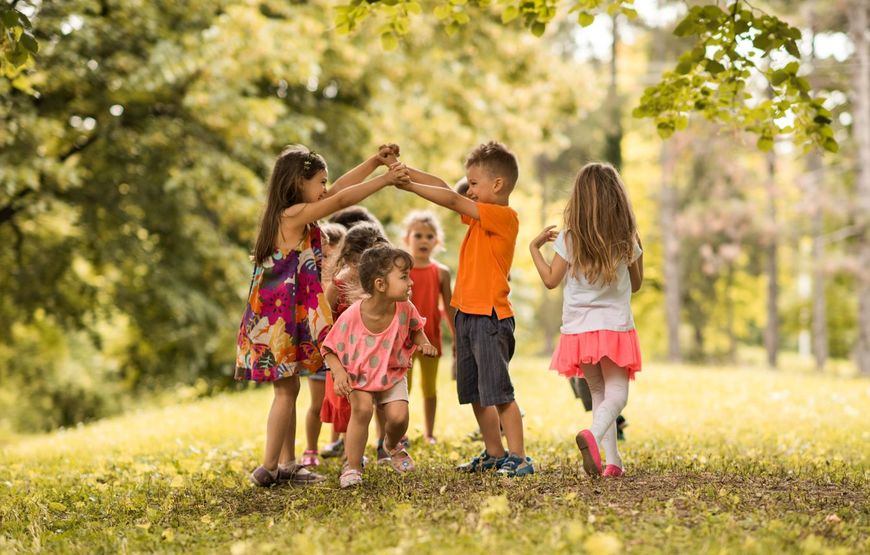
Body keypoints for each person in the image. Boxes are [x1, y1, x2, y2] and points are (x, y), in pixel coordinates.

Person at [236, 144, 404, 487]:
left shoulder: (292, 213)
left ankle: (287, 464)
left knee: (288, 388)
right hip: (278, 318)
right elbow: (341, 201)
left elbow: (340, 190)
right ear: (299, 182)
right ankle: (268, 467)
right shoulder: (292, 214)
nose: (325, 189)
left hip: (280, 314)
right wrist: (385, 180)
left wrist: (373, 162)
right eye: (319, 182)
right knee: (286, 392)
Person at [398, 141, 534, 477]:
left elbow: (449, 197)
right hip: (467, 316)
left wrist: (407, 185)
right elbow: (446, 188)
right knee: (474, 390)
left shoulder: (502, 217)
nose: (468, 190)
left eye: (474, 183)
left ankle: (519, 457)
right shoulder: (478, 220)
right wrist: (404, 170)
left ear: (497, 185)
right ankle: (493, 452)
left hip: (490, 316)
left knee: (499, 392)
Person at [528, 161, 643, 478]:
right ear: (618, 199)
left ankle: (613, 463)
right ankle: (593, 435)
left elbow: (551, 281)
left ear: (578, 199)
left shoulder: (568, 238)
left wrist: (534, 248)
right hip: (615, 327)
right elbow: (636, 284)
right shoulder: (627, 240)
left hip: (578, 329)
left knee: (597, 391)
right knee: (617, 394)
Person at [321, 245, 438, 488]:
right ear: (380, 285)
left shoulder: (406, 309)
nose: (410, 283)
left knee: (398, 417)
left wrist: (424, 344)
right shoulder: (353, 315)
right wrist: (339, 371)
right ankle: (352, 466)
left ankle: (392, 445)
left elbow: (416, 330)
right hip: (359, 374)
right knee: (362, 411)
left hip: (392, 373)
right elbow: (329, 346)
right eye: (404, 277)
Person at [401, 210, 455, 444]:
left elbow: (449, 308)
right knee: (402, 389)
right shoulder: (400, 270)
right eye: (418, 235)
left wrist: (457, 338)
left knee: (430, 388)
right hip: (403, 340)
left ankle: (429, 433)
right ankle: (398, 434)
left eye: (429, 236)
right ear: (407, 238)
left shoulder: (441, 272)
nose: (424, 240)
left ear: (437, 241)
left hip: (431, 338)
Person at [299, 221, 346, 467]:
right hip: (317, 351)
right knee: (316, 403)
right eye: (325, 255)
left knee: (346, 401)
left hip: (342, 353)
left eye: (336, 257)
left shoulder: (345, 283)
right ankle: (310, 449)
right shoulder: (308, 280)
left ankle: (346, 447)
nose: (329, 262)